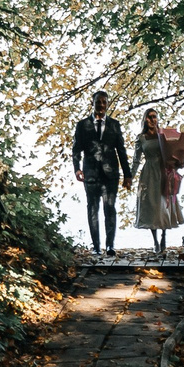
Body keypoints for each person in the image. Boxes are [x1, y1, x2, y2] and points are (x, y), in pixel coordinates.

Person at [71, 90, 131, 256]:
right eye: (98, 102)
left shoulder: (114, 124)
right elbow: (76, 149)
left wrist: (128, 175)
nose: (101, 105)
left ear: (107, 104)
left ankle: (110, 245)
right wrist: (77, 168)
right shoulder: (82, 125)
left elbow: (121, 150)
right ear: (93, 103)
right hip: (90, 174)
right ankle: (96, 247)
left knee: (109, 208)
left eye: (104, 102)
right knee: (92, 209)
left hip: (111, 175)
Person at [134, 108, 184, 257]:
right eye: (149, 117)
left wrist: (178, 163)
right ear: (144, 120)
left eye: (154, 117)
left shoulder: (163, 136)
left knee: (163, 204)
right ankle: (155, 240)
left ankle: (163, 236)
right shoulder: (141, 138)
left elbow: (173, 154)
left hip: (163, 172)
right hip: (149, 173)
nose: (152, 120)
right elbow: (136, 159)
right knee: (152, 205)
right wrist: (130, 176)